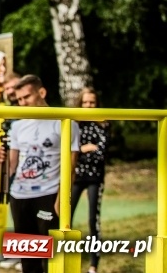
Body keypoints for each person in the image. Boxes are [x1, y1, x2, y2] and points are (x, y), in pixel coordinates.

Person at [0, 75, 80, 273]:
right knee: (28, 257)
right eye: (19, 99)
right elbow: (11, 167)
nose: (22, 103)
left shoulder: (64, 122)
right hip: (20, 195)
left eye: (27, 97)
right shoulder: (17, 126)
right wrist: (0, 161)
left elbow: (71, 165)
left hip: (48, 193)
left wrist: (61, 199)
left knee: (52, 256)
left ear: (41, 93)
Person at [70, 88, 108, 273]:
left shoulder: (103, 125)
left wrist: (80, 150)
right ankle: (66, 260)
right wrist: (83, 149)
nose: (88, 106)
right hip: (76, 176)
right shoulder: (74, 124)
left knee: (93, 220)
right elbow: (70, 151)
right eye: (85, 102)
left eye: (92, 102)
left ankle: (93, 265)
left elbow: (100, 153)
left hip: (95, 177)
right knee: (66, 218)